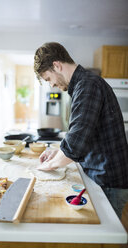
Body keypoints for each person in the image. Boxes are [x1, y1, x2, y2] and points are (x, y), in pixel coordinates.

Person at [34, 42, 128, 219]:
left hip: (109, 180)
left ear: (57, 65)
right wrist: (57, 152)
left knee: (107, 240)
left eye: (48, 79)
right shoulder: (83, 85)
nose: (51, 85)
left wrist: (46, 166)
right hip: (103, 175)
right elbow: (83, 133)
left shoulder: (88, 86)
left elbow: (75, 145)